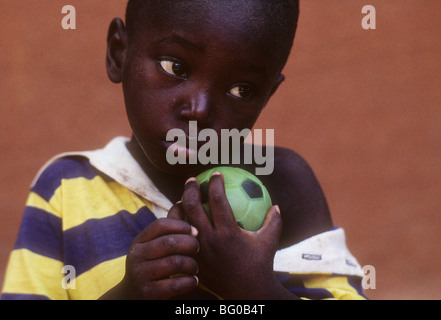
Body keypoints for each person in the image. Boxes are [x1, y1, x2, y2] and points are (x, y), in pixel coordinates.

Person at [1, 0, 366, 300]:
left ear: (267, 95)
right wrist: (126, 296)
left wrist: (257, 291)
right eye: (175, 66)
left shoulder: (284, 189)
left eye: (242, 90)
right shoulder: (65, 189)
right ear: (119, 53)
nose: (200, 109)